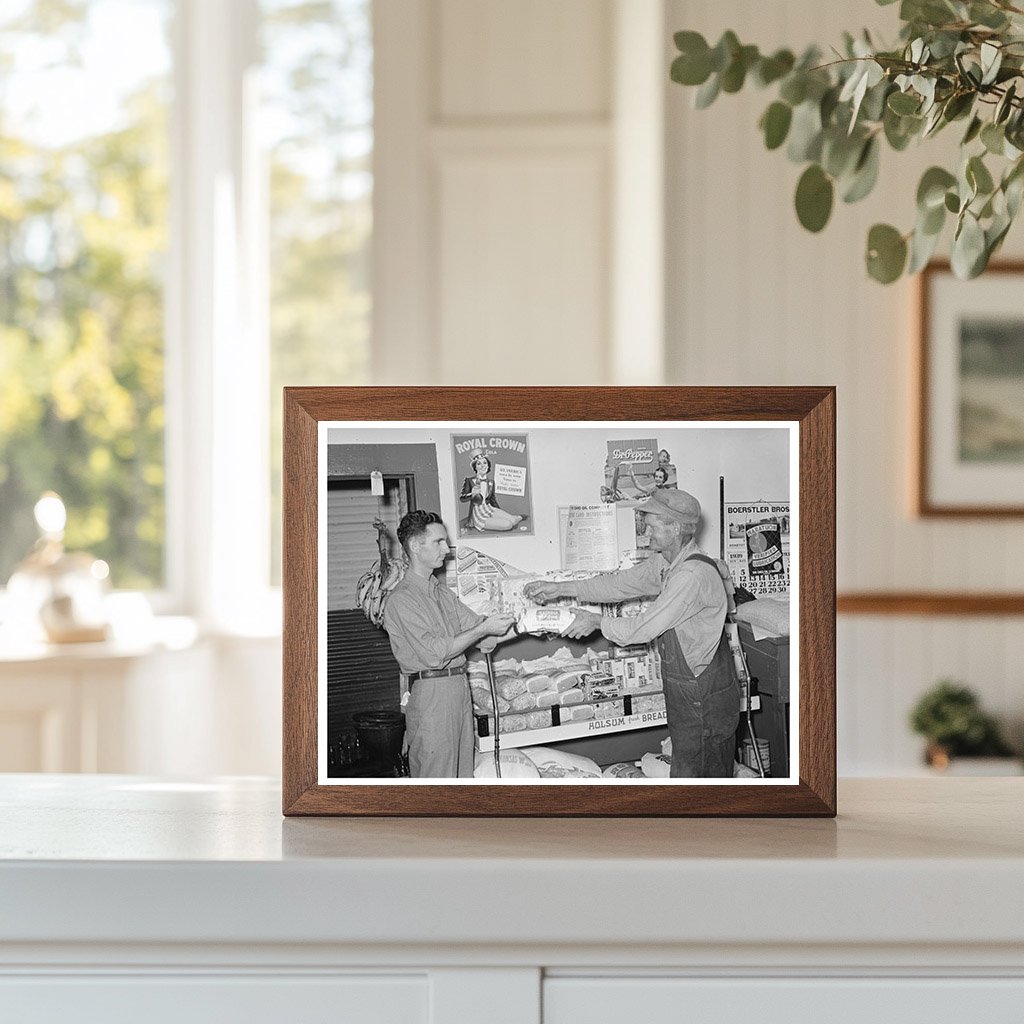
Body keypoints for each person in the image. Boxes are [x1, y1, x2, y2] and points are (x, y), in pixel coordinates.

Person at [523, 489, 739, 778]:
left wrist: (596, 621)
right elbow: (619, 585)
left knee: (699, 777)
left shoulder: (692, 576)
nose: (645, 530)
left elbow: (641, 628)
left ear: (675, 528)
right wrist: (561, 589)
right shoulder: (668, 562)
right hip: (689, 692)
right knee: (690, 770)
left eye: (651, 525)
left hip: (703, 695)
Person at [382, 510, 515, 778]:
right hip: (432, 694)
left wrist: (534, 619)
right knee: (437, 782)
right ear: (416, 546)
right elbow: (435, 653)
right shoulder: (401, 600)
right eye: (438, 542)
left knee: (463, 776)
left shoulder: (440, 591)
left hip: (458, 689)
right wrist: (483, 629)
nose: (447, 549)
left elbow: (479, 631)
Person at [459, 451, 523, 532]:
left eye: (485, 463)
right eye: (479, 464)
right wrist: (472, 494)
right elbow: (462, 498)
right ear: (475, 467)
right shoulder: (469, 480)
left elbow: (492, 499)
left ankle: (518, 517)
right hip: (478, 513)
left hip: (489, 508)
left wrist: (500, 514)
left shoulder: (491, 482)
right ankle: (515, 518)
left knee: (513, 521)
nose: (482, 466)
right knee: (508, 525)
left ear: (488, 465)